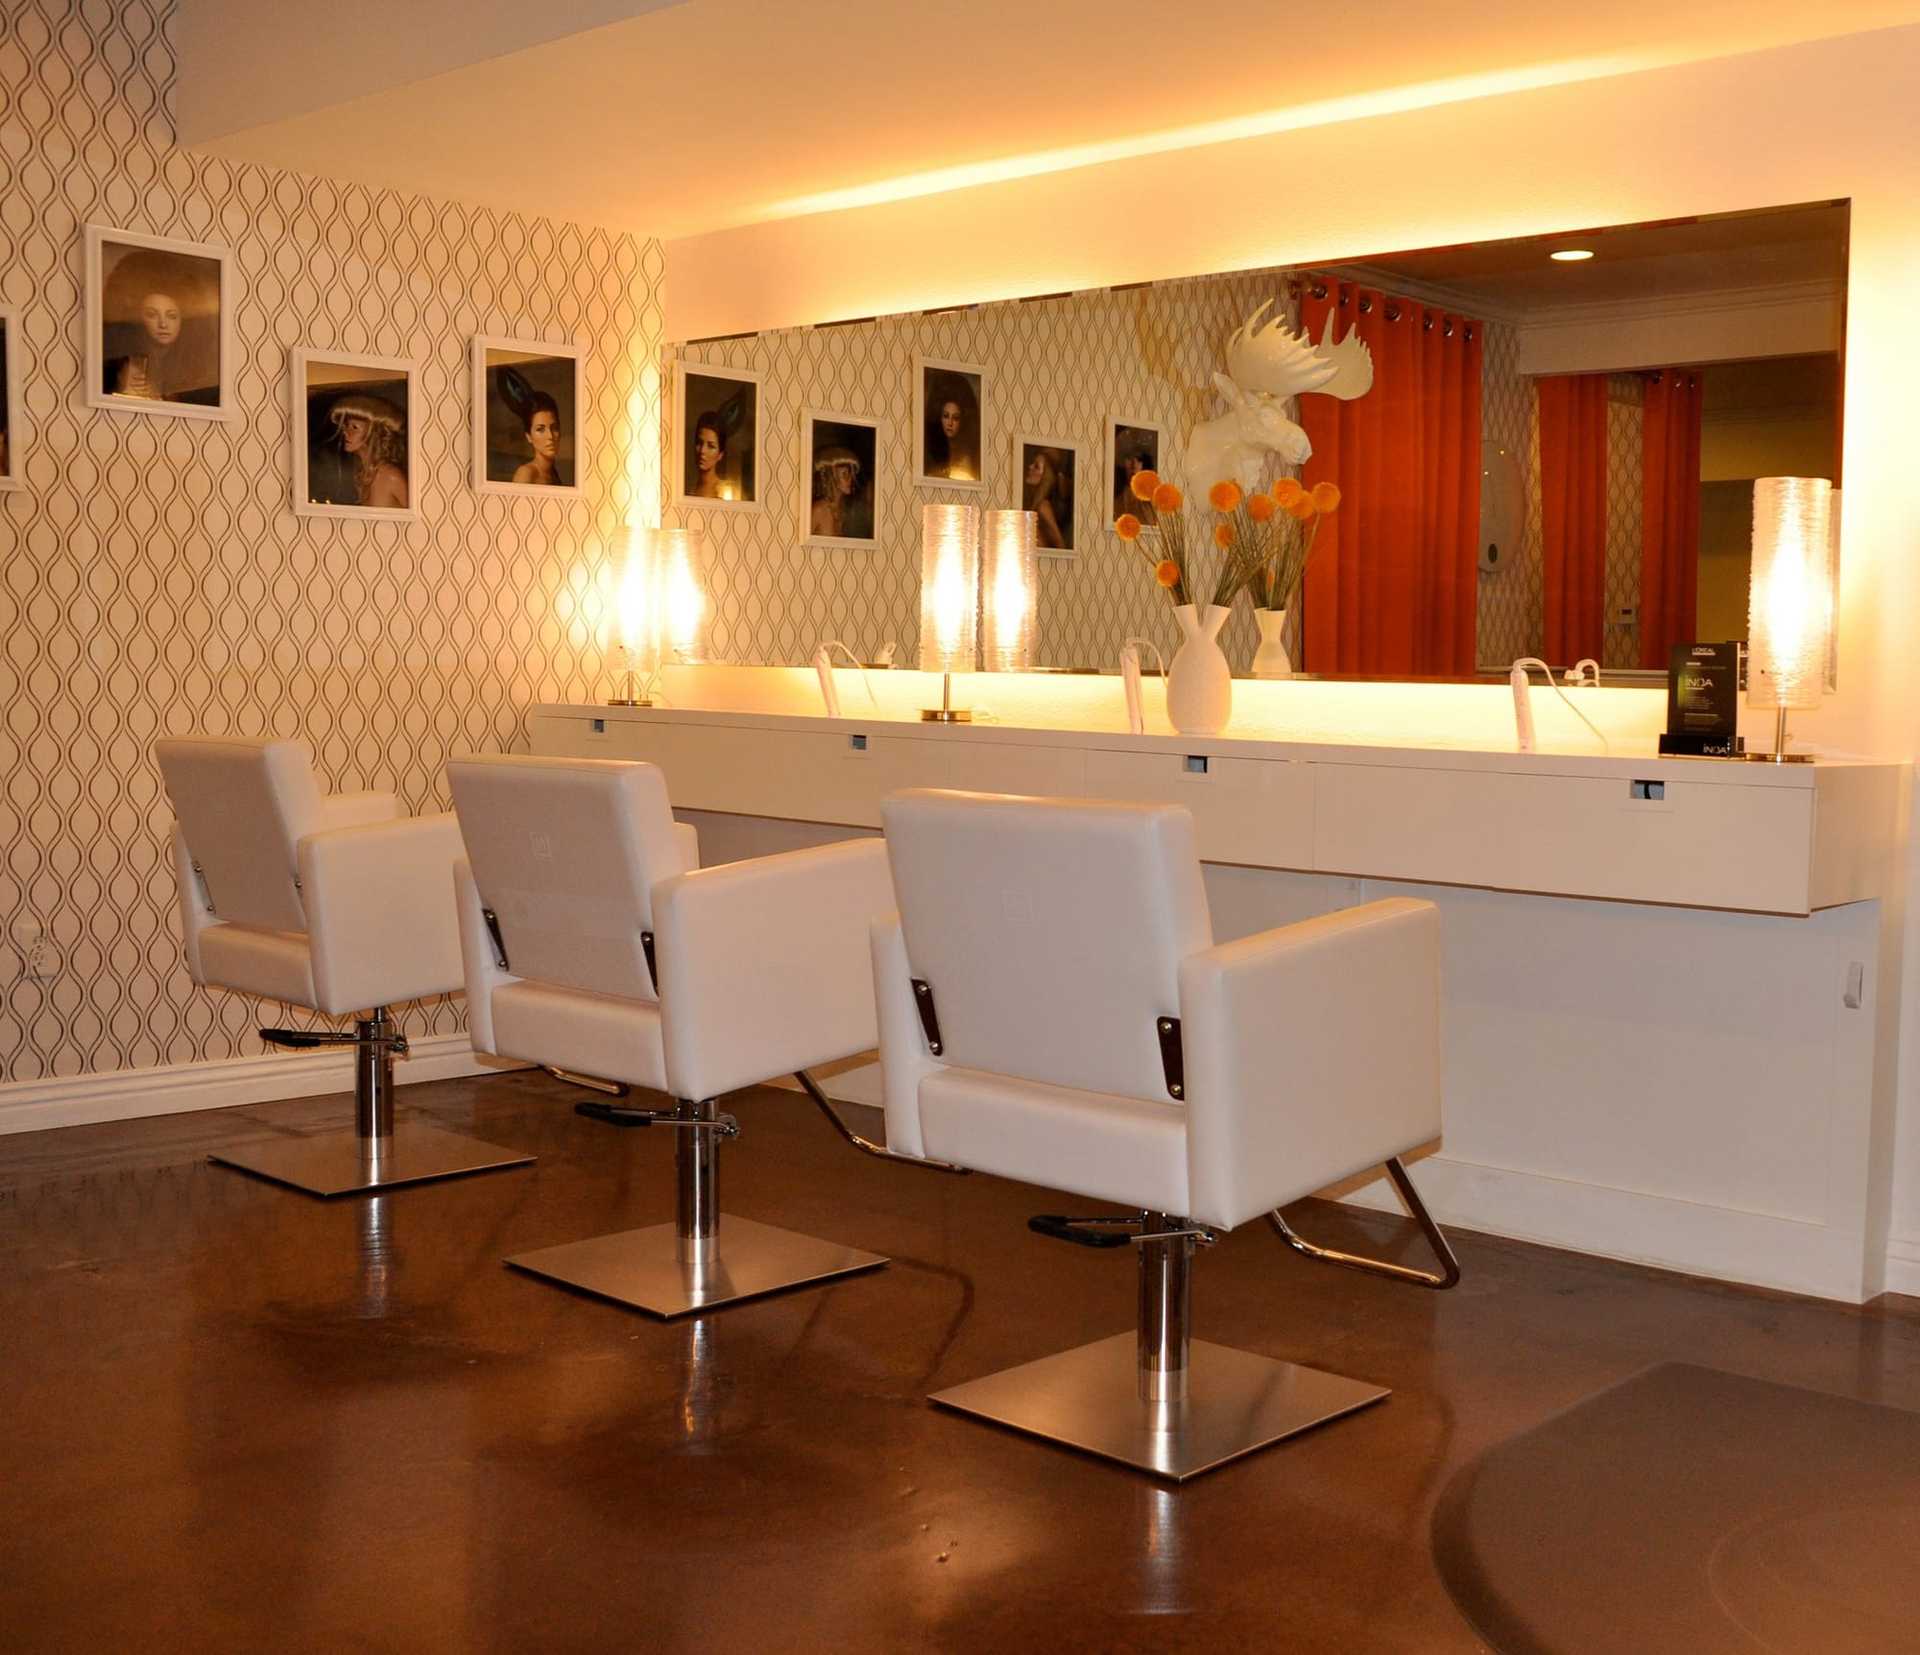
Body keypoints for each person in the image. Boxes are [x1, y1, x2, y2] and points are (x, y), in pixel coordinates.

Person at [100, 249, 219, 405]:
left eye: (171, 316)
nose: (163, 324)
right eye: (152, 315)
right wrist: (122, 391)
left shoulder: (197, 370)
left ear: (182, 321)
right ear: (140, 320)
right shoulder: (120, 364)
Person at [327, 393, 408, 509]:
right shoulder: (363, 475)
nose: (345, 432)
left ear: (375, 433)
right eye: (347, 425)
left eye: (354, 427)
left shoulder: (391, 476)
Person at [922, 375, 978, 481]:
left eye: (955, 418)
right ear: (939, 417)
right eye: (946, 416)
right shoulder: (930, 454)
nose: (950, 423)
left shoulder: (966, 459)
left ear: (962, 421)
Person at [510, 389, 566, 488]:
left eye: (554, 428)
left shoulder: (553, 475)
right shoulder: (526, 474)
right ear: (529, 436)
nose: (550, 436)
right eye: (540, 429)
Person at [810, 444, 862, 538]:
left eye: (851, 474)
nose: (850, 479)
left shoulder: (843, 510)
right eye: (844, 474)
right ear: (830, 476)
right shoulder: (819, 509)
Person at [1024, 447, 1069, 550]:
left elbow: (1060, 546)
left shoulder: (1043, 507)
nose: (1030, 467)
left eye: (1036, 466)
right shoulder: (1034, 505)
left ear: (1046, 477)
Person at [690, 412, 728, 499]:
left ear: (720, 454)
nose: (702, 451)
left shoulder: (722, 492)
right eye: (699, 443)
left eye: (711, 446)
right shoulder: (687, 488)